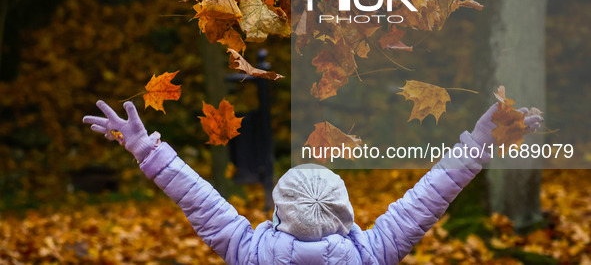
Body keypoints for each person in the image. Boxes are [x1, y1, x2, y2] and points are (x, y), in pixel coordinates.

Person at [83, 100, 542, 264]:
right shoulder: (371, 254)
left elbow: (198, 198)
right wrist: (480, 143)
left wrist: (145, 148)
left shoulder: (251, 253)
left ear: (279, 213)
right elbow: (429, 197)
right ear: (345, 214)